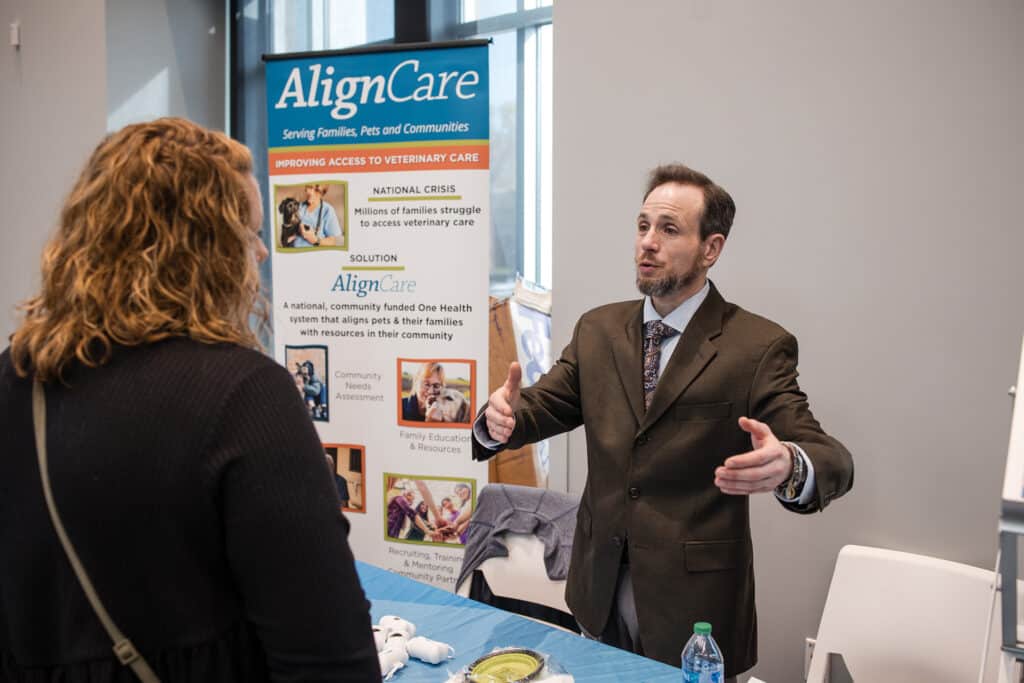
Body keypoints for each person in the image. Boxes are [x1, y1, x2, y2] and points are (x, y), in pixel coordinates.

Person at [0, 118, 380, 682]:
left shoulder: (15, 378)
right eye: (250, 232)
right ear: (205, 248)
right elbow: (330, 661)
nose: (261, 253)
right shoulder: (245, 399)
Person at [473, 163, 854, 676]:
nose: (647, 243)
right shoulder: (598, 330)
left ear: (710, 248)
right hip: (598, 588)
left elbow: (831, 457)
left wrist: (789, 463)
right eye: (643, 225)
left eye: (669, 229)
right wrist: (500, 420)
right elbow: (540, 408)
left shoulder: (756, 347)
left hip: (695, 611)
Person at [295, 183, 343, 247]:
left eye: (316, 191)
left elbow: (333, 241)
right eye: (309, 187)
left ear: (322, 193)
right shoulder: (298, 207)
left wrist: (316, 240)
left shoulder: (327, 210)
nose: (311, 193)